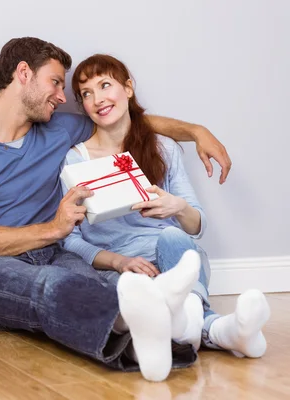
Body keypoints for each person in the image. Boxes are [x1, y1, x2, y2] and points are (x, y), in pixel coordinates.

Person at [0, 37, 232, 382]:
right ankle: (150, 330)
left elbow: (125, 118)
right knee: (51, 283)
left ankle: (168, 331)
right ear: (24, 73)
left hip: (60, 256)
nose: (62, 96)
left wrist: (196, 132)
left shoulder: (59, 128)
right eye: (56, 82)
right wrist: (52, 229)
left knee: (106, 284)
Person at [63, 54, 271, 365]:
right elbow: (70, 239)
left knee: (175, 239)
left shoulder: (165, 148)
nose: (98, 99)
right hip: (121, 266)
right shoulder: (76, 161)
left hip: (171, 256)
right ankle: (218, 329)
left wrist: (177, 206)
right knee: (137, 290)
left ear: (128, 88)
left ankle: (188, 319)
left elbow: (196, 226)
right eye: (87, 94)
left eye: (105, 85)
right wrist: (119, 262)